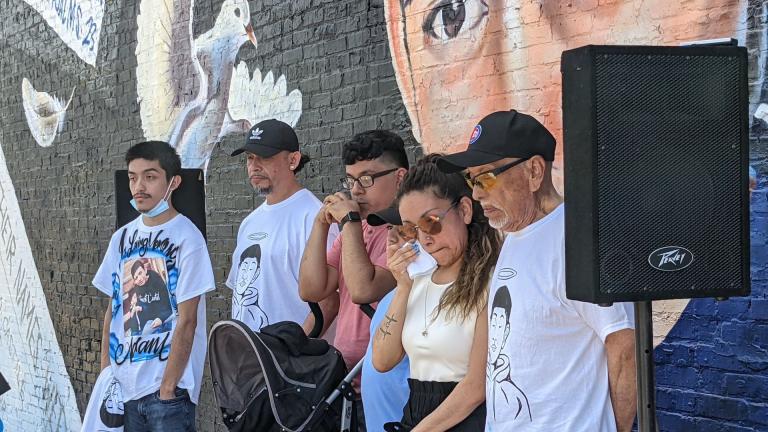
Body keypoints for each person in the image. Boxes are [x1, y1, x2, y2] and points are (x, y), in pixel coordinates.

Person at [437, 110, 636, 431]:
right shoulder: (515, 235)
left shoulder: (577, 239)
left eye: (486, 176)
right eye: (470, 179)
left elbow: (625, 347)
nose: (475, 193)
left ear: (533, 171)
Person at [373, 155, 502, 431]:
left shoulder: (491, 283)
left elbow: (476, 387)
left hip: (468, 420)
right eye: (411, 229)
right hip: (418, 415)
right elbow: (382, 361)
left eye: (431, 221)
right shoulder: (417, 282)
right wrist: (403, 287)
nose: (425, 238)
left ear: (465, 210)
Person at [93, 141, 215, 431]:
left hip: (166, 393)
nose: (139, 186)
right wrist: (106, 374)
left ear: (173, 182)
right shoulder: (121, 238)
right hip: (124, 388)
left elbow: (188, 320)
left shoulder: (188, 237)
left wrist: (168, 387)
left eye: (150, 176)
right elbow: (113, 310)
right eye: (133, 177)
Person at [299, 130, 409, 430]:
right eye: (350, 180)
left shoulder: (408, 233)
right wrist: (321, 224)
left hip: (385, 381)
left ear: (399, 178)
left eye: (367, 178)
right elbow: (311, 288)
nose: (357, 190)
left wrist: (348, 223)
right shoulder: (358, 229)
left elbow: (363, 289)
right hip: (344, 380)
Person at [228, 119, 338, 334]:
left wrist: (295, 352)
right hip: (247, 358)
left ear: (293, 160)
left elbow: (330, 300)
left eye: (265, 157)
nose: (254, 166)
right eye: (250, 158)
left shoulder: (315, 217)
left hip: (289, 361)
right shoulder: (249, 222)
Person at [360, 208, 411, 431]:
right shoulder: (392, 296)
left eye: (404, 231)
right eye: (390, 228)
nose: (391, 237)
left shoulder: (430, 297)